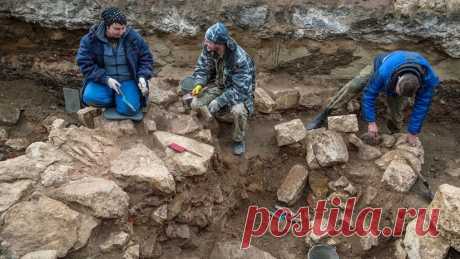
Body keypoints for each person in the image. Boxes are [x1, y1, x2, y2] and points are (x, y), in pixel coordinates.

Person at [308, 50, 439, 146]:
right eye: (397, 90)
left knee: (397, 107)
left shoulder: (429, 80)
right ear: (399, 79)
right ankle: (324, 114)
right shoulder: (384, 71)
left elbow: (422, 106)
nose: (397, 93)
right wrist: (371, 122)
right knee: (353, 86)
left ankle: (394, 133)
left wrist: (413, 132)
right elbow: (369, 94)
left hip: (402, 73)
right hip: (380, 65)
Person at [187, 22, 256, 155]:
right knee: (195, 103)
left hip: (238, 92)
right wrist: (199, 84)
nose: (205, 43)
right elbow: (202, 67)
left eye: (208, 41)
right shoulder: (209, 49)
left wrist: (219, 101)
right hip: (219, 85)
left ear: (218, 43)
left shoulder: (239, 59)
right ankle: (213, 122)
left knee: (238, 111)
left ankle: (238, 139)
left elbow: (241, 90)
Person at [76, 7, 154, 116]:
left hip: (127, 80)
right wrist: (105, 79)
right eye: (117, 29)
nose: (121, 32)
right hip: (104, 81)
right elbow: (84, 64)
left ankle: (124, 99)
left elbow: (146, 58)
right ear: (107, 26)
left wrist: (142, 76)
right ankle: (117, 99)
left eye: (123, 28)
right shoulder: (90, 40)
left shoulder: (134, 38)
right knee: (90, 98)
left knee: (129, 109)